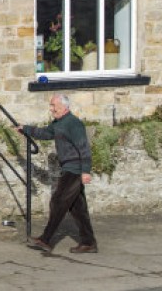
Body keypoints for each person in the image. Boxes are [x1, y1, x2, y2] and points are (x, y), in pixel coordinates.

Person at [16, 93, 97, 254]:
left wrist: (85, 171)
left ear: (64, 107)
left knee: (58, 201)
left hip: (74, 169)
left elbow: (84, 148)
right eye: (51, 105)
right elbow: (45, 133)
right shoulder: (58, 123)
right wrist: (25, 129)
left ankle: (46, 239)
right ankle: (89, 243)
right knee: (78, 209)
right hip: (68, 168)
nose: (51, 109)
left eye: (54, 106)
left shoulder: (74, 124)